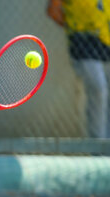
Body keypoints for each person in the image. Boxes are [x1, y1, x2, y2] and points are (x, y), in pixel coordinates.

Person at [47, 0, 110, 138]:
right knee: (98, 88)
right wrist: (74, 28)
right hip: (82, 41)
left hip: (106, 39)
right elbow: (53, 11)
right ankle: (98, 147)